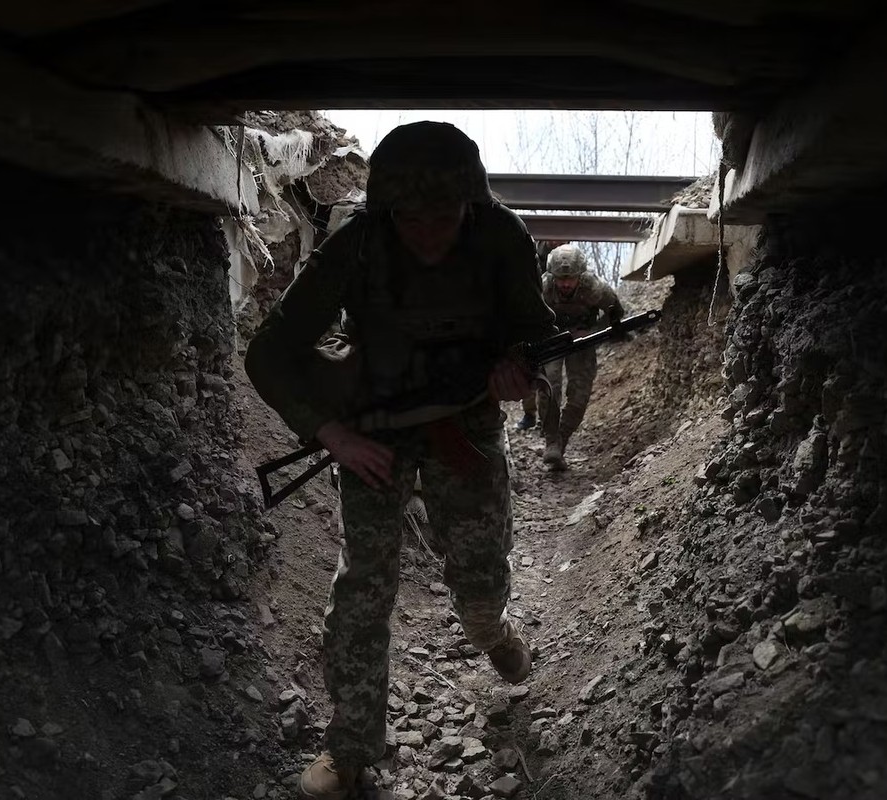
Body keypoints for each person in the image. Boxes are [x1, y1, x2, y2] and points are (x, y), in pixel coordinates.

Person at [244, 121, 557, 800]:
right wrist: (330, 434)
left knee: (478, 576)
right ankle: (350, 750)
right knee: (363, 590)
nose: (426, 232)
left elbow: (536, 332)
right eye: (409, 217)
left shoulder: (500, 236)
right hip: (373, 435)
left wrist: (517, 368)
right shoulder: (356, 243)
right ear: (387, 209)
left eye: (442, 215)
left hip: (464, 425)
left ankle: (490, 629)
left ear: (469, 205)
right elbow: (268, 354)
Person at [538, 243, 624, 470]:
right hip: (552, 339)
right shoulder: (542, 288)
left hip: (582, 341)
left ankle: (560, 441)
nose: (565, 284)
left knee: (579, 393)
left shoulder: (594, 288)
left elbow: (616, 312)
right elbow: (527, 316)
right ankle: (550, 441)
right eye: (560, 278)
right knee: (548, 386)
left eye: (571, 278)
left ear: (580, 276)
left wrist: (593, 332)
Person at [516, 238, 568, 431]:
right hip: (530, 316)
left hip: (551, 322)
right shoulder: (533, 250)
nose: (557, 241)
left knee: (550, 376)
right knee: (527, 369)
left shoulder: (567, 256)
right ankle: (529, 413)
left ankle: (545, 420)